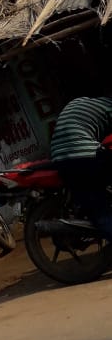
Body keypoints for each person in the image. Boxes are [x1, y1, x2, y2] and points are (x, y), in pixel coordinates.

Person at [50, 95, 112, 236]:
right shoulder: (108, 106)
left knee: (92, 201)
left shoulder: (78, 103)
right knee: (101, 213)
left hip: (58, 157)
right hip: (84, 157)